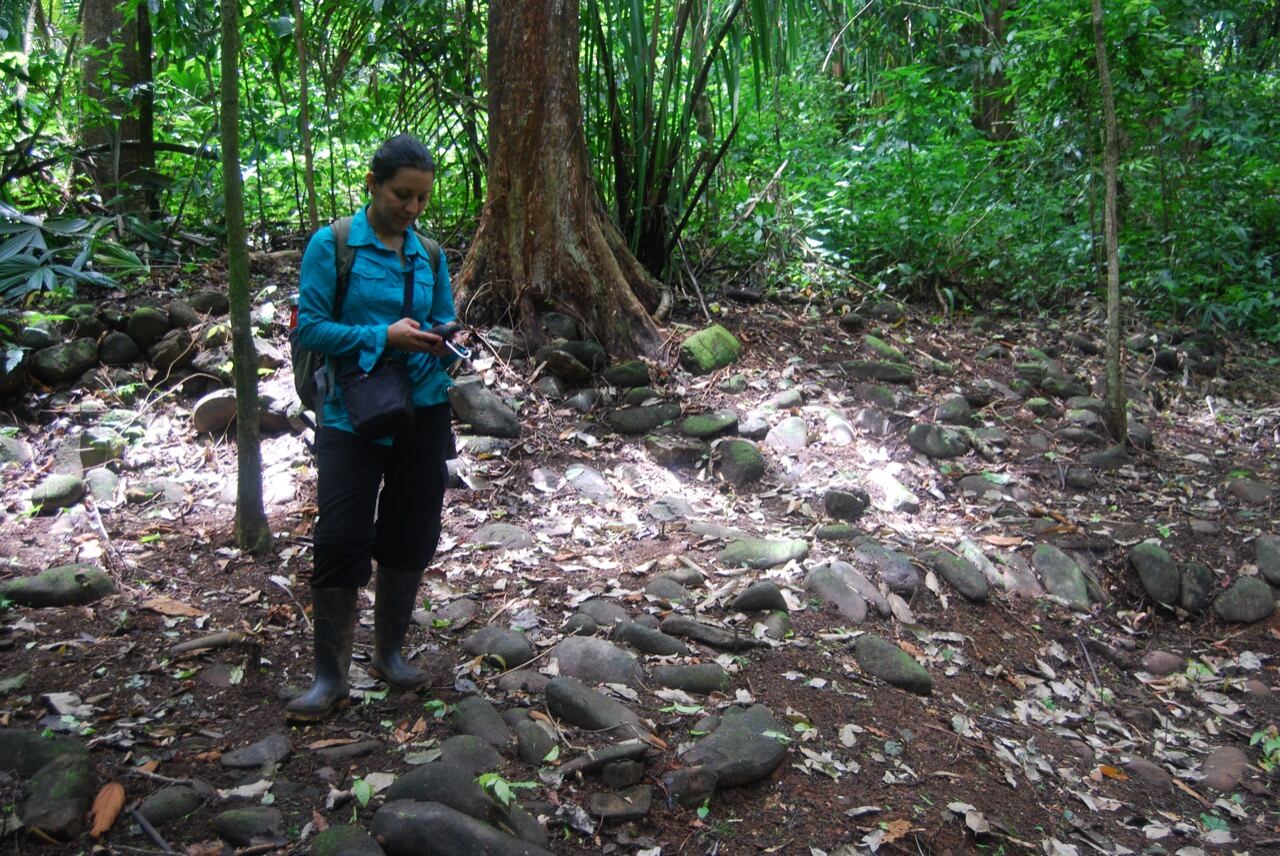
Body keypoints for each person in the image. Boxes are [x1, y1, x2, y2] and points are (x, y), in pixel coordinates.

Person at [287, 134, 457, 721]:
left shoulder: (430, 254)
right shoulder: (333, 246)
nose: (411, 209)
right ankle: (329, 676)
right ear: (372, 184)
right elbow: (311, 329)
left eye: (421, 200)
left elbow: (441, 318)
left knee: (412, 531)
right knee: (340, 535)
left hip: (423, 409)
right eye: (400, 195)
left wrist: (445, 340)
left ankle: (390, 654)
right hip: (352, 416)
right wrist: (381, 337)